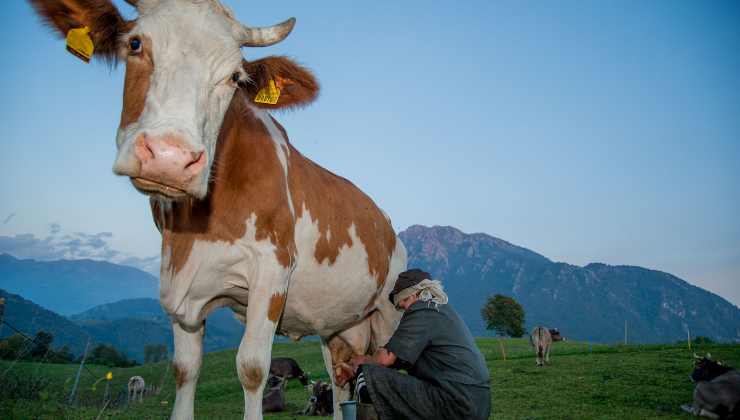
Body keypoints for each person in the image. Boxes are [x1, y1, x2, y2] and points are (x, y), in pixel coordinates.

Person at [337, 268, 491, 420]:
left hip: (455, 402)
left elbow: (386, 359)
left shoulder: (423, 308)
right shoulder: (442, 311)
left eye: (403, 305)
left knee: (367, 377)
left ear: (414, 295)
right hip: (475, 403)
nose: (404, 311)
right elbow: (400, 360)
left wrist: (362, 361)